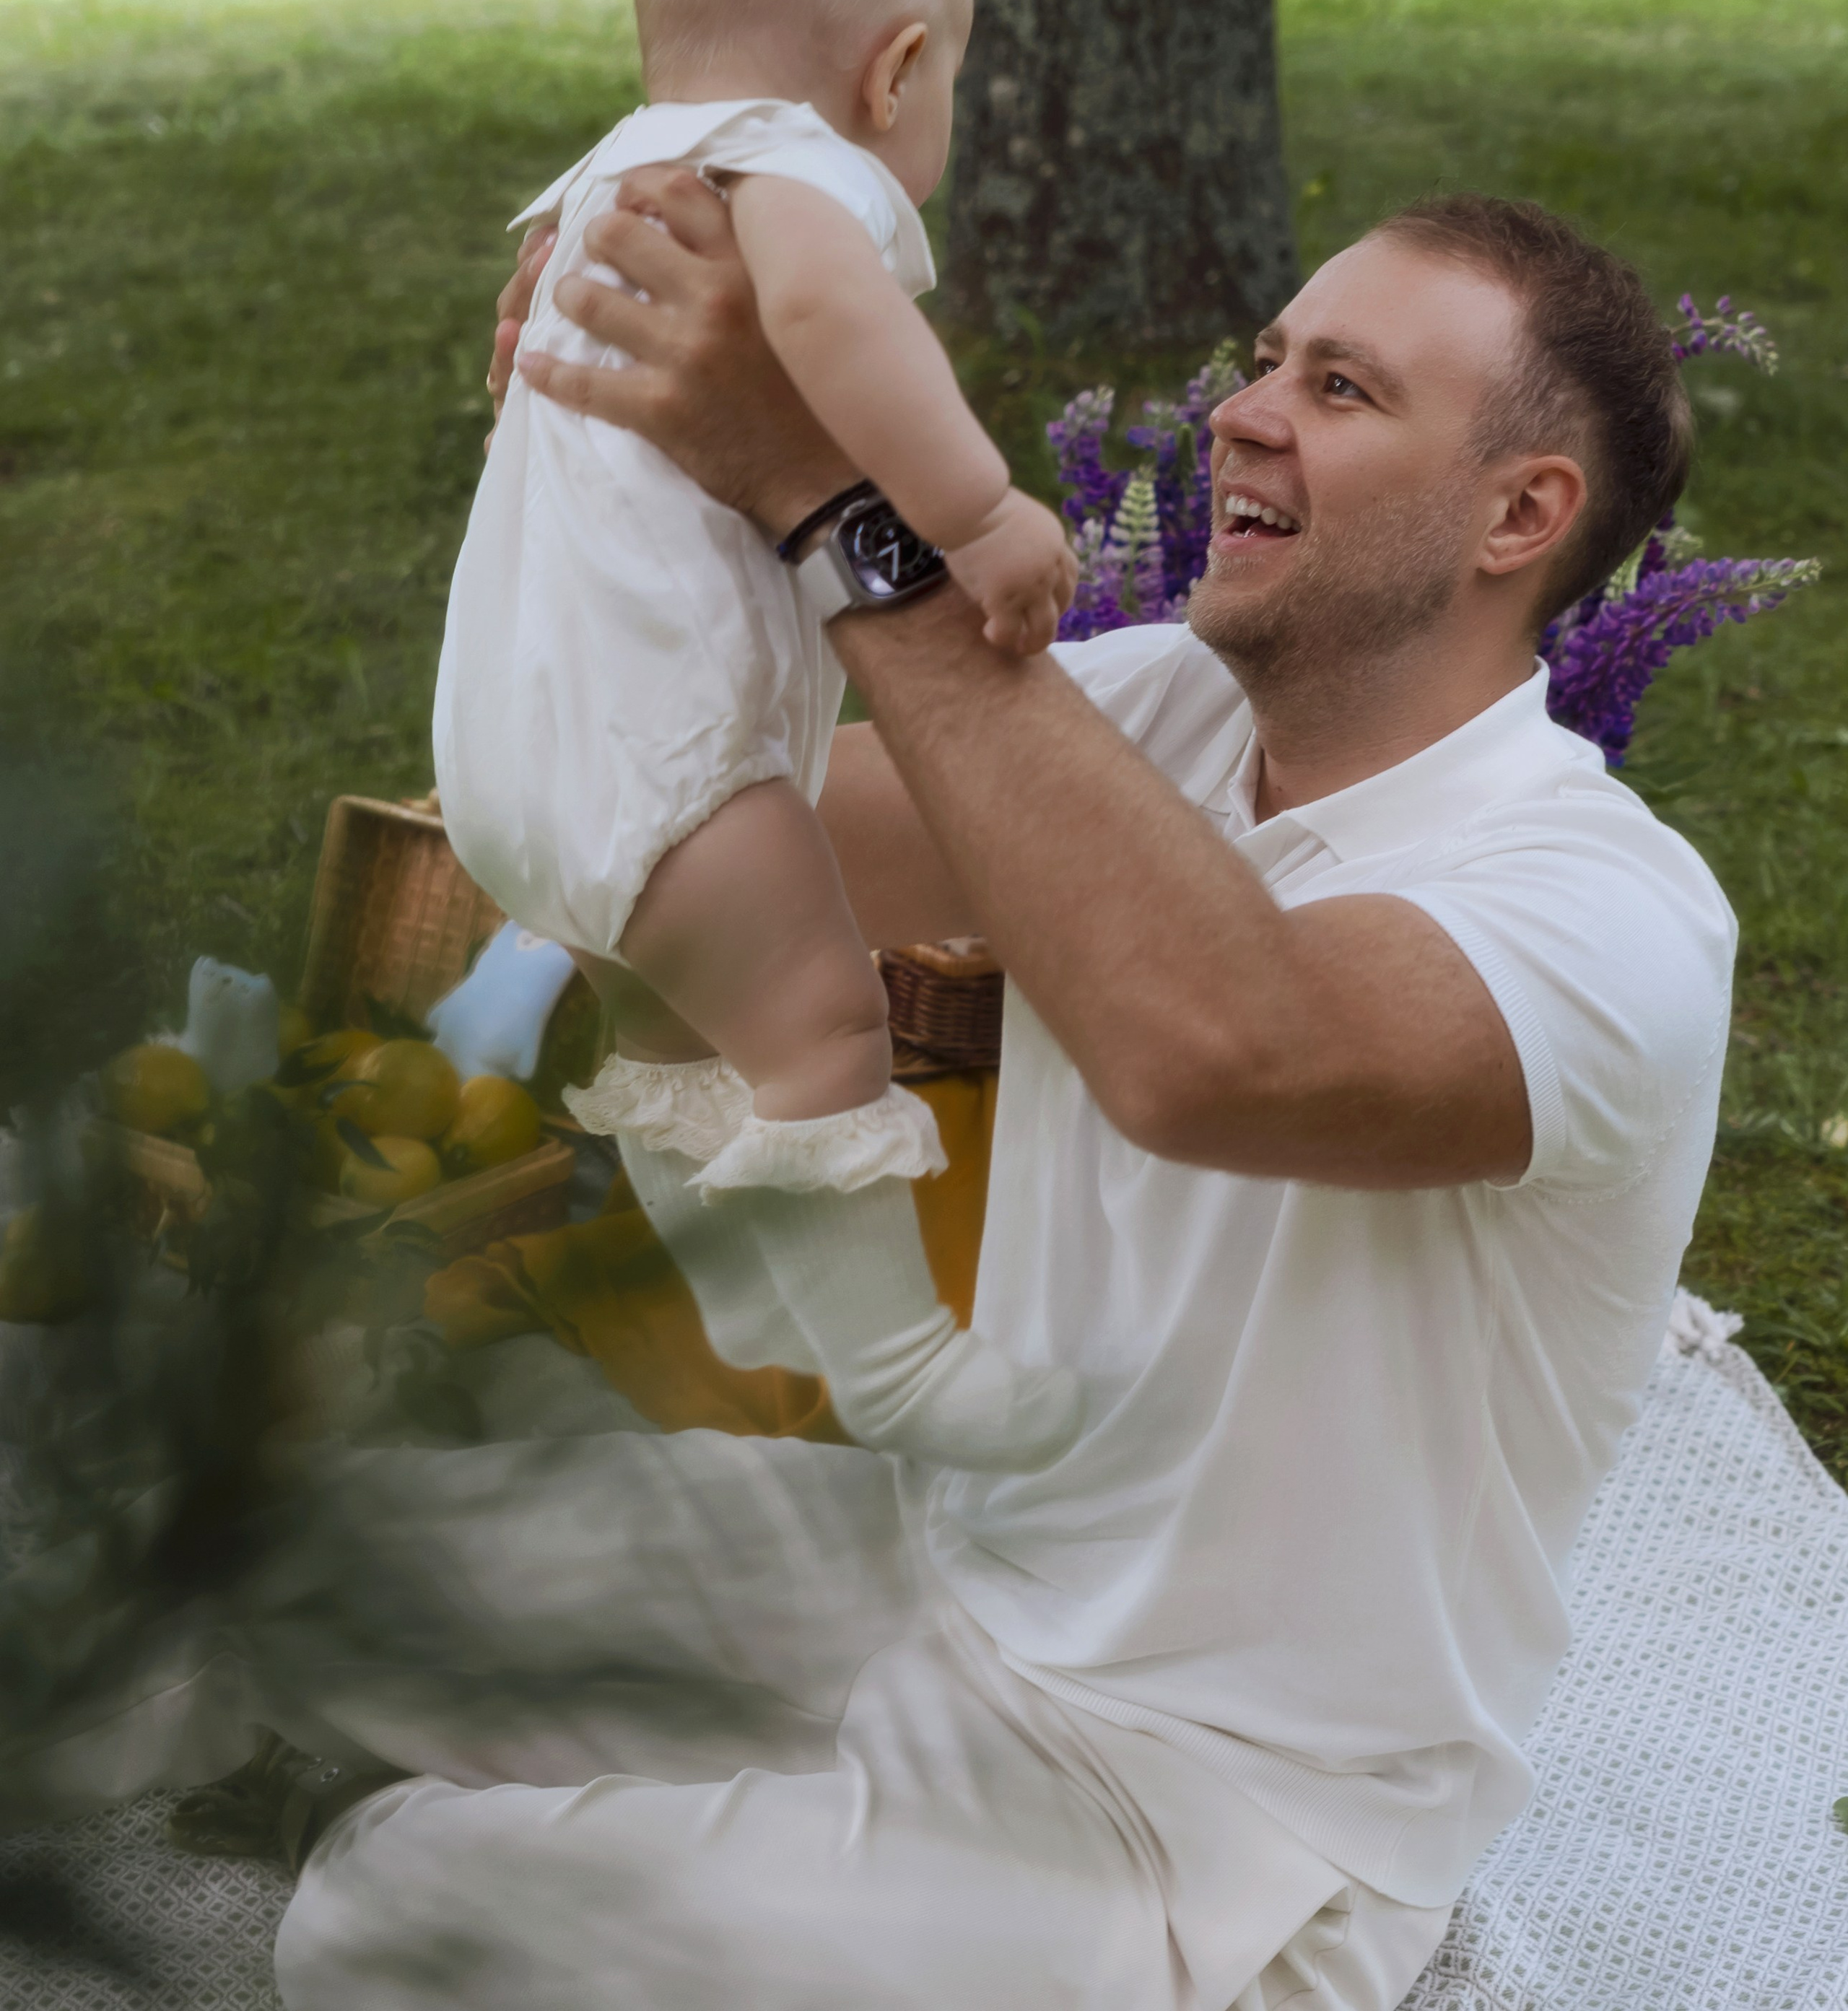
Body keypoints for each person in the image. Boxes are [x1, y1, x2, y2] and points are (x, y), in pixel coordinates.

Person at [32, 182, 1735, 2011]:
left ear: (1518, 514)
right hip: (925, 1564)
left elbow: (1210, 1046)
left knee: (398, 1913)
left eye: (1339, 388)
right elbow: (670, 869)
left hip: (1209, 1806)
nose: (1241, 414)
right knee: (253, 1561)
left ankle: (454, 1829)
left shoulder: (1606, 913)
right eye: (1264, 362)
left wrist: (833, 503)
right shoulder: (1159, 706)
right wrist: (612, 473)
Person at [434, 0, 1081, 1474]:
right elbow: (819, 314)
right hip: (664, 762)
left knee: (680, 1036)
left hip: (510, 760)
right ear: (897, 68)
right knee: (820, 1027)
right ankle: (901, 1370)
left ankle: (747, 1304)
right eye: (945, 87)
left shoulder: (604, 191)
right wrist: (976, 512)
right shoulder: (795, 171)